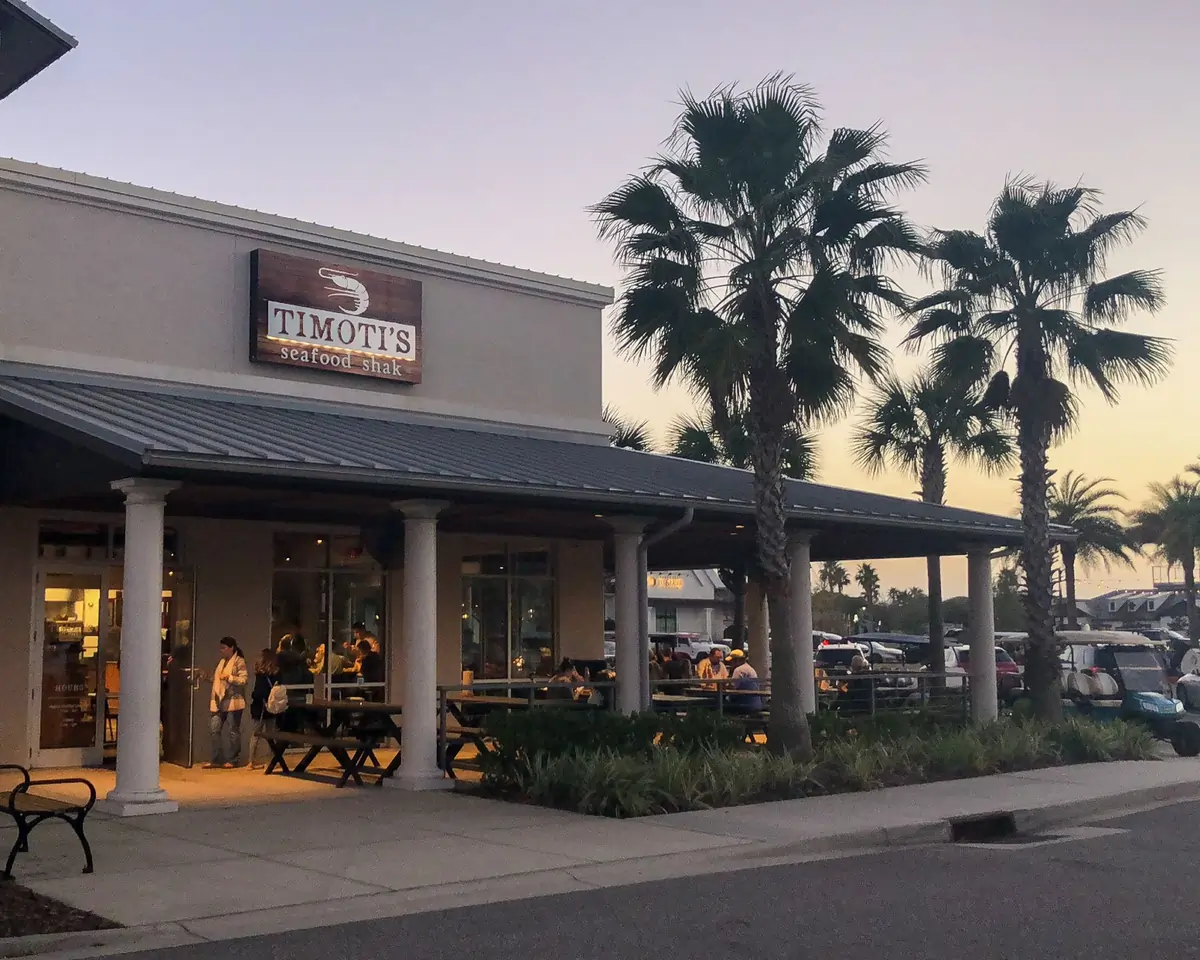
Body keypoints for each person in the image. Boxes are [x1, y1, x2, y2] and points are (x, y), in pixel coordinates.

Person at [204, 637, 248, 769]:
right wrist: (206, 677)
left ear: (231, 648)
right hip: (219, 701)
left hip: (234, 701)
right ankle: (217, 758)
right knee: (214, 729)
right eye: (221, 648)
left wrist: (230, 678)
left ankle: (233, 759)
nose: (221, 650)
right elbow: (218, 681)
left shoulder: (239, 661)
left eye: (224, 648)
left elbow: (244, 680)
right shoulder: (221, 662)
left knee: (233, 730)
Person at [248, 648, 281, 769]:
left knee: (255, 734)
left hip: (260, 707)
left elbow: (258, 692)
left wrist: (254, 695)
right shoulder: (277, 673)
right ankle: (272, 759)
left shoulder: (260, 674)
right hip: (271, 707)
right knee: (271, 735)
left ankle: (251, 761)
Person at [725, 649, 764, 713]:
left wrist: (724, 685)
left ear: (737, 660)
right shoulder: (750, 668)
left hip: (743, 704)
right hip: (755, 703)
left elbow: (732, 687)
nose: (730, 663)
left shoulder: (738, 670)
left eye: (732, 661)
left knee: (721, 703)